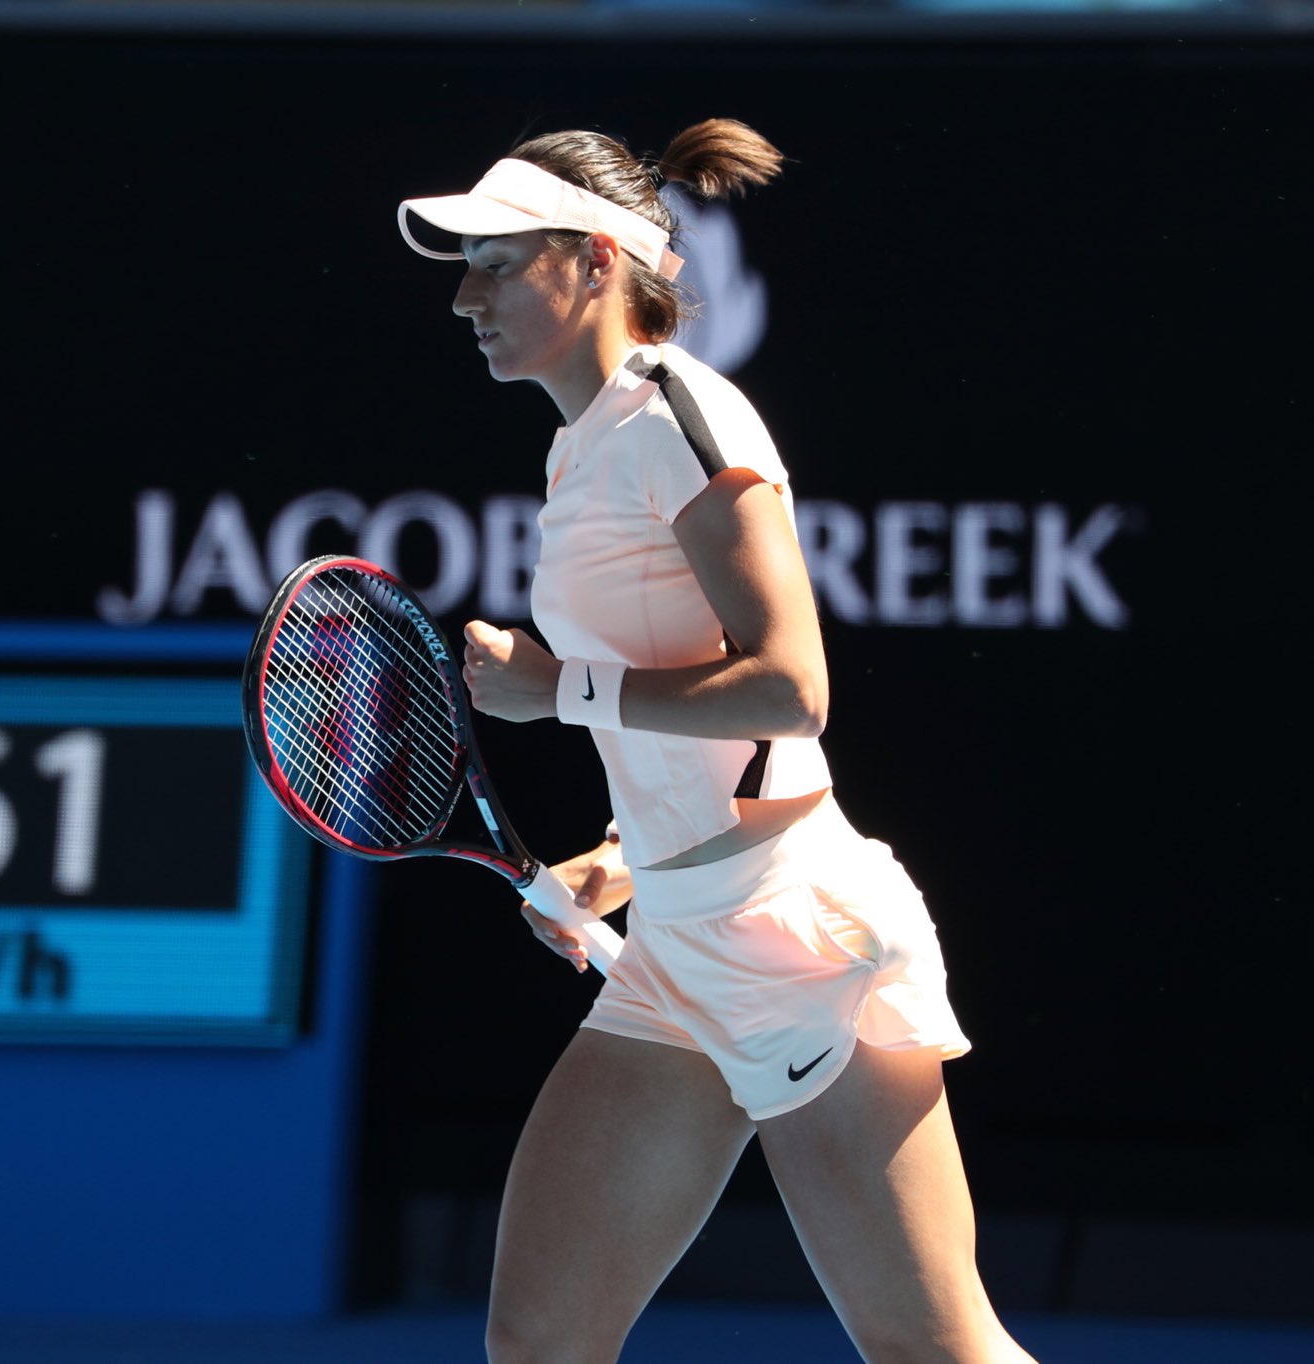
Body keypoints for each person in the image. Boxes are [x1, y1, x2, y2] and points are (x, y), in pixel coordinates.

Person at [398, 119, 1037, 1364]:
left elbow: (789, 690)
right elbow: (687, 710)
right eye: (466, 270)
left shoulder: (676, 414)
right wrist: (618, 858)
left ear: (594, 260)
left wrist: (557, 689)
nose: (467, 299)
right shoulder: (581, 443)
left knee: (930, 1348)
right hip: (674, 945)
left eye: (497, 265)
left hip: (791, 938)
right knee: (538, 1341)